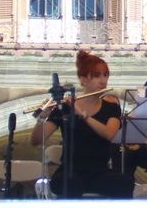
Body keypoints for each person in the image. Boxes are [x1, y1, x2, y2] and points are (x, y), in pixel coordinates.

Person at [30, 49, 135, 198]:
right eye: (97, 76)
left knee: (124, 183)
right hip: (70, 171)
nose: (103, 80)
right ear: (83, 79)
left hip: (100, 171)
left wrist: (83, 115)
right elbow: (36, 141)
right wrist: (42, 118)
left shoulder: (111, 106)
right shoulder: (65, 106)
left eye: (105, 75)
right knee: (69, 184)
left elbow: (109, 134)